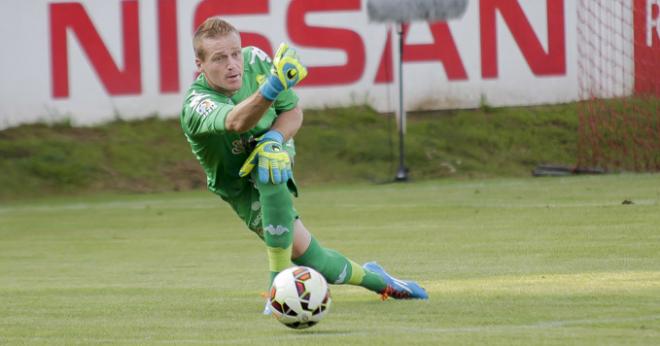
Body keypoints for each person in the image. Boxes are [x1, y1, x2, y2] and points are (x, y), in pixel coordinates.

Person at [180, 17, 428, 313]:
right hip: (235, 185)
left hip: (274, 147)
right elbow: (235, 121)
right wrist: (272, 87)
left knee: (268, 161)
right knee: (315, 259)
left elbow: (293, 111)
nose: (233, 64)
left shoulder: (256, 60)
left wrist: (274, 138)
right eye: (220, 58)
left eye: (236, 53)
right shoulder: (197, 103)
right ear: (200, 64)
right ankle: (380, 279)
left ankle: (277, 288)